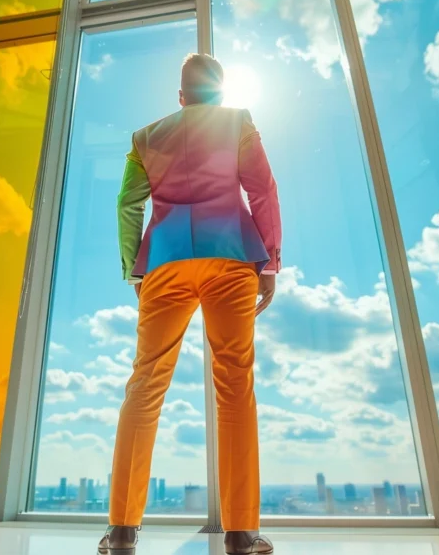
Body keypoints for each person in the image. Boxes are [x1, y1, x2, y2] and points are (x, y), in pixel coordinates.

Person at [97, 53, 281, 555]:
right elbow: (262, 190)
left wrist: (135, 268)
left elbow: (126, 205)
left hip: (166, 263)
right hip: (232, 258)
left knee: (145, 383)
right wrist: (270, 264)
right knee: (235, 384)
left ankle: (121, 529)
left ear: (179, 97)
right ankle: (242, 532)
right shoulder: (238, 123)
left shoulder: (146, 139)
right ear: (219, 93)